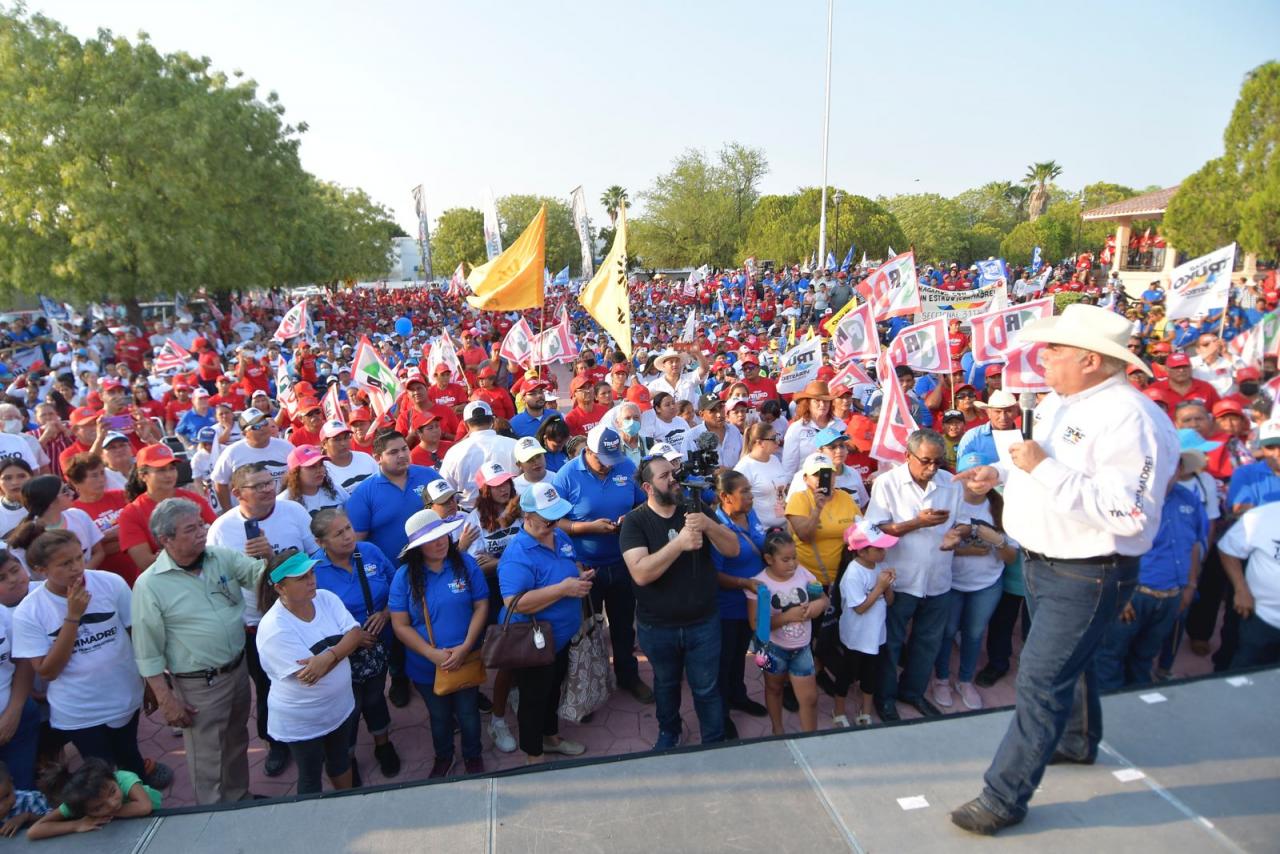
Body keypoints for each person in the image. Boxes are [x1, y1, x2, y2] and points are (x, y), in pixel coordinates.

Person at [949, 303, 1178, 835]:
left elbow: (1130, 512)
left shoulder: (1133, 419)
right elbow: (1033, 462)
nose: (1043, 356)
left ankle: (1003, 797)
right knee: (1069, 663)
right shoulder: (1061, 402)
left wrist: (1042, 468)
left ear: (1091, 360)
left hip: (1087, 572)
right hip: (1045, 563)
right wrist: (998, 472)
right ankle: (1076, 741)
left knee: (1040, 678)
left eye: (1054, 348)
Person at [11, 531, 159, 788]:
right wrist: (73, 616)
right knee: (102, 776)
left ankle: (146, 804)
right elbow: (47, 671)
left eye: (79, 557)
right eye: (65, 563)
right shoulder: (29, 611)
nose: (77, 567)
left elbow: (136, 635)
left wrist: (151, 683)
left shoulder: (110, 583)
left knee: (130, 760)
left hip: (125, 697)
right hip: (79, 711)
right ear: (41, 570)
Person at [206, 461, 318, 779]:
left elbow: (315, 556)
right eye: (258, 486)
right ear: (238, 492)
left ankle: (317, 734)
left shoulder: (294, 512)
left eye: (270, 482)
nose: (269, 489)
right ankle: (275, 744)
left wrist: (272, 558)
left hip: (301, 614)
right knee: (268, 686)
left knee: (310, 675)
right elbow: (214, 580)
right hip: (255, 625)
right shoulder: (221, 529)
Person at [621, 455, 739, 749]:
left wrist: (709, 526)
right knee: (666, 684)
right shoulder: (635, 522)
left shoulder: (695, 508)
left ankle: (713, 740)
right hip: (657, 626)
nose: (674, 479)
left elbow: (733, 548)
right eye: (664, 476)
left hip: (703, 622)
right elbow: (641, 573)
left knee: (706, 687)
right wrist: (680, 543)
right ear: (648, 487)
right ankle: (669, 732)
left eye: (673, 473)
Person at [864, 429, 960, 722]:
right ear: (908, 456)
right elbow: (874, 529)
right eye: (926, 461)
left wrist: (958, 533)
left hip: (938, 579)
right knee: (891, 643)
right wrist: (916, 523)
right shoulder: (887, 483)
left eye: (938, 462)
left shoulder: (950, 483)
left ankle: (913, 692)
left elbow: (964, 522)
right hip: (899, 580)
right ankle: (885, 696)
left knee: (928, 642)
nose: (932, 468)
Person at [552, 421, 651, 703]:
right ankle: (586, 688)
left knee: (623, 626)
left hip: (622, 562)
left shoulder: (625, 467)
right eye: (602, 460)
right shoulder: (567, 475)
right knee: (586, 631)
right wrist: (586, 528)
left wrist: (630, 518)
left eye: (612, 459)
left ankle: (628, 676)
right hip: (584, 567)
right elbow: (553, 521)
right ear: (588, 452)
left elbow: (644, 502)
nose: (608, 465)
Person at [1095, 452, 1207, 690]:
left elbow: (1195, 544)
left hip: (1171, 597)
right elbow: (1107, 547)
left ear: (1180, 470)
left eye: (1173, 466)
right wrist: (1119, 594)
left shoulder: (1189, 499)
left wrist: (1190, 585)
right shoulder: (1127, 499)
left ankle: (1138, 699)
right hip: (1133, 595)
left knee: (1145, 657)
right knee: (1110, 657)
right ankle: (1112, 704)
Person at [497, 483, 592, 763]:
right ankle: (533, 755)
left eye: (557, 516)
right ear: (527, 517)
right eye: (548, 519)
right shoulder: (517, 555)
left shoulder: (558, 535)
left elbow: (572, 563)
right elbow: (514, 602)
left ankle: (550, 738)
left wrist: (579, 576)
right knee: (533, 700)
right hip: (533, 643)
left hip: (559, 638)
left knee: (552, 691)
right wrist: (563, 589)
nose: (554, 523)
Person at [389, 509, 489, 777]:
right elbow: (400, 625)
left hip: (466, 659)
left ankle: (473, 755)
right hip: (426, 666)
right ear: (417, 547)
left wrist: (466, 647)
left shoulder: (465, 564)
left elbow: (481, 605)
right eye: (431, 539)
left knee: (468, 713)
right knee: (440, 716)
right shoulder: (403, 577)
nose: (441, 542)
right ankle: (444, 756)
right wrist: (430, 654)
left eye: (442, 535)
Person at [254, 550, 362, 795]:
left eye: (311, 573)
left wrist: (328, 656)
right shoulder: (274, 628)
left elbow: (355, 633)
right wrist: (343, 648)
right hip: (303, 721)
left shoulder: (326, 598)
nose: (311, 580)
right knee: (310, 776)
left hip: (340, 707)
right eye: (301, 578)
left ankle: (348, 804)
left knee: (340, 760)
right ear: (280, 588)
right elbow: (310, 675)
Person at [308, 508, 401, 782]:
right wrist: (351, 639)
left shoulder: (369, 551)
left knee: (374, 697)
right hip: (340, 655)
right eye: (338, 533)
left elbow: (397, 585)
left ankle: (383, 744)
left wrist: (385, 614)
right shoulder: (314, 571)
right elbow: (312, 618)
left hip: (378, 647)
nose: (348, 536)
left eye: (348, 528)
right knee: (349, 708)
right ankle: (346, 759)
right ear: (320, 542)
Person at [932, 453, 1019, 711]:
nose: (976, 482)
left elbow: (1011, 557)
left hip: (987, 584)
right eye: (970, 476)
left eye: (981, 476)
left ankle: (965, 680)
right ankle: (941, 679)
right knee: (947, 632)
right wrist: (967, 550)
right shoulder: (949, 503)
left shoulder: (1001, 506)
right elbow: (935, 547)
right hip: (952, 582)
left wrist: (996, 540)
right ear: (959, 477)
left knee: (974, 634)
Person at [746, 532, 827, 735]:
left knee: (809, 698)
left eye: (794, 557)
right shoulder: (759, 584)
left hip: (802, 648)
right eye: (785, 559)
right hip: (771, 650)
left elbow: (823, 598)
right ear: (769, 559)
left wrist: (818, 605)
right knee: (774, 688)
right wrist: (787, 617)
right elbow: (756, 625)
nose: (792, 564)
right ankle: (778, 730)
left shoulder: (803, 573)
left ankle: (810, 738)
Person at [710, 470, 769, 738]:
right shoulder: (718, 527)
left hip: (752, 605)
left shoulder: (750, 514)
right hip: (727, 607)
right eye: (744, 491)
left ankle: (738, 695)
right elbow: (714, 575)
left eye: (749, 490)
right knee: (724, 661)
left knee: (739, 656)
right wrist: (744, 583)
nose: (750, 496)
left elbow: (760, 542)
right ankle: (721, 713)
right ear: (725, 497)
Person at [829, 520, 898, 727]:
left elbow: (890, 601)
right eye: (878, 549)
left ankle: (865, 710)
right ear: (861, 551)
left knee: (870, 674)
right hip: (855, 636)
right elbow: (859, 608)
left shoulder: (881, 567)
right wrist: (880, 587)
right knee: (846, 673)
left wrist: (887, 587)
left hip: (875, 635)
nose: (883, 552)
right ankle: (838, 710)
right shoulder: (853, 573)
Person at [117, 443, 217, 571]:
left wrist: (168, 552)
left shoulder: (194, 499)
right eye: (161, 470)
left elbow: (216, 536)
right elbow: (145, 563)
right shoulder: (131, 513)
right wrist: (191, 546)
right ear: (143, 476)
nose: (169, 475)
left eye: (172, 468)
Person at [25, 757, 158, 840]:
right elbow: (33, 831)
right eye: (98, 807)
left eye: (112, 792)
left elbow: (144, 807)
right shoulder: (77, 802)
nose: (112, 804)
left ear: (113, 777)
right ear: (83, 811)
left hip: (157, 814)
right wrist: (76, 825)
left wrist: (105, 813)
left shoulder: (123, 778)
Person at [784, 452, 861, 588]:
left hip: (846, 577)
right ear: (805, 478)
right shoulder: (799, 499)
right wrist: (817, 510)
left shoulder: (845, 497)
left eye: (827, 473)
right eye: (816, 474)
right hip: (811, 581)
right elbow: (804, 536)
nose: (823, 478)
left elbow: (861, 529)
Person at [4, 475, 104, 574]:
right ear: (50, 501)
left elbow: (98, 552)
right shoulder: (29, 534)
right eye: (65, 491)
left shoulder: (79, 516)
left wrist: (81, 575)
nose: (72, 492)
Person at [65, 453, 137, 585]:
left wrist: (101, 539)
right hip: (105, 579)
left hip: (136, 569)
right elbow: (88, 550)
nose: (101, 479)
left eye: (102, 473)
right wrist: (120, 536)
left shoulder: (122, 495)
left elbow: (139, 531)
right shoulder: (74, 512)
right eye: (94, 475)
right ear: (76, 482)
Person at [209, 408, 295, 510]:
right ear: (244, 433)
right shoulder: (232, 452)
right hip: (248, 512)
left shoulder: (286, 447)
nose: (262, 428)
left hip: (283, 508)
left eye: (264, 423)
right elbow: (220, 482)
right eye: (256, 426)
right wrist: (228, 510)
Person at [439, 401, 518, 511]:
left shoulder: (454, 452)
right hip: (511, 511)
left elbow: (446, 489)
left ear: (466, 425)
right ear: (493, 421)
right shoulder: (514, 445)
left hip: (471, 514)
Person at [782, 381, 844, 478]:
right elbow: (788, 467)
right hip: (806, 482)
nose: (822, 404)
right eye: (817, 400)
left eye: (826, 400)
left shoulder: (840, 424)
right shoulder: (796, 429)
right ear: (808, 403)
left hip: (837, 481)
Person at [734, 422, 789, 529]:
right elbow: (738, 504)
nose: (778, 441)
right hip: (762, 530)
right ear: (760, 442)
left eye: (778, 436)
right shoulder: (744, 468)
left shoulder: (774, 459)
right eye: (774, 438)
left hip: (784, 526)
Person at [278, 444, 349, 516]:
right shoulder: (283, 502)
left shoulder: (337, 490)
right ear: (295, 472)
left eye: (321, 465)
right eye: (312, 467)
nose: (319, 470)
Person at [683, 394, 743, 470]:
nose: (719, 414)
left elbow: (744, 457)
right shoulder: (692, 437)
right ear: (702, 414)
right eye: (713, 411)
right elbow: (687, 468)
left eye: (721, 408)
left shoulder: (733, 430)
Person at [320, 420, 378, 492]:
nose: (343, 443)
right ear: (324, 444)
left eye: (346, 437)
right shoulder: (321, 471)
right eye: (337, 439)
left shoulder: (365, 458)